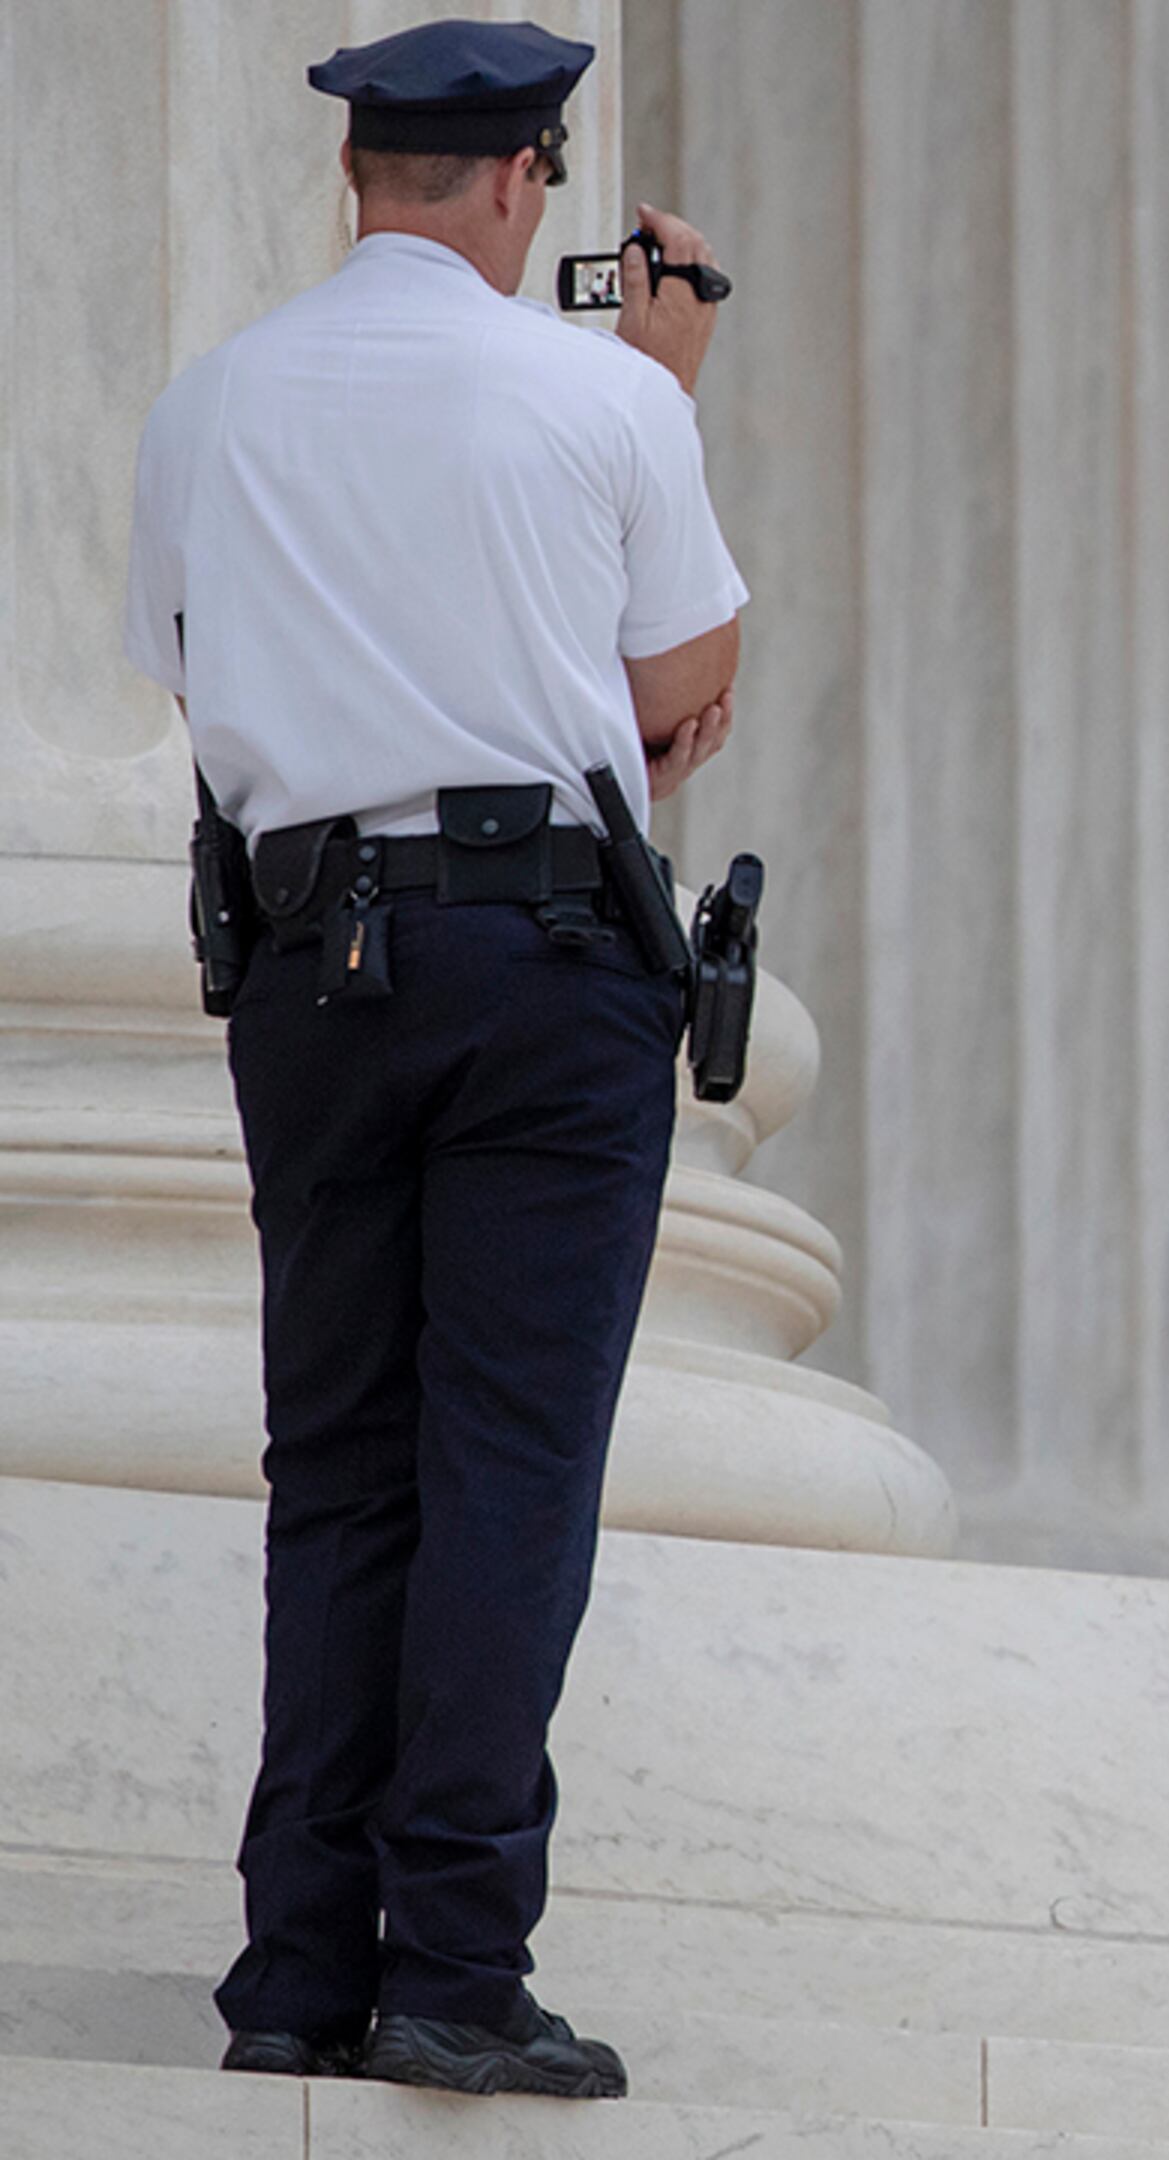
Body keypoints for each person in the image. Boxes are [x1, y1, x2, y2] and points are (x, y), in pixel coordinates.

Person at [121, 18, 742, 2100]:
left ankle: (300, 1962)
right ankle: (459, 1954)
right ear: (521, 181)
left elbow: (201, 680)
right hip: (541, 962)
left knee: (342, 1461)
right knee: (510, 1464)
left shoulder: (209, 405)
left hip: (310, 962)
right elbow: (680, 694)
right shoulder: (604, 392)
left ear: (357, 177)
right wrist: (663, 387)